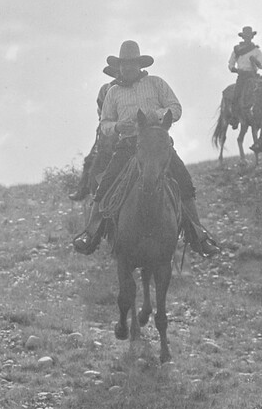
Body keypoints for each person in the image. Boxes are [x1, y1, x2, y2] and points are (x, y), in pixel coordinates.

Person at [71, 40, 221, 257]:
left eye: (131, 64)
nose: (127, 68)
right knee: (105, 186)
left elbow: (175, 108)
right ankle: (90, 233)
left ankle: (198, 235)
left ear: (139, 65)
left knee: (184, 182)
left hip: (156, 144)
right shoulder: (113, 93)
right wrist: (117, 126)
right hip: (127, 145)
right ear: (119, 67)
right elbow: (104, 124)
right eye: (123, 64)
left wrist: (156, 116)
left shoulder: (156, 84)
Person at [67, 60, 121, 201]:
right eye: (117, 72)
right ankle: (83, 188)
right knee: (91, 160)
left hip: (125, 128)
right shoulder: (106, 89)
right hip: (108, 130)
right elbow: (102, 110)